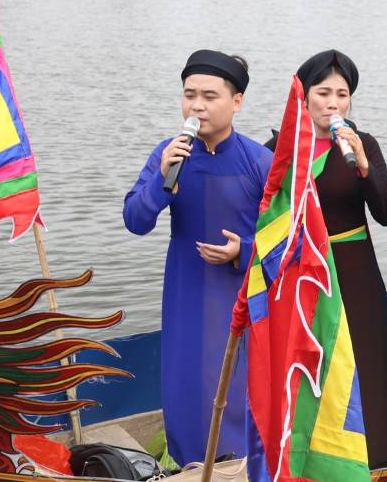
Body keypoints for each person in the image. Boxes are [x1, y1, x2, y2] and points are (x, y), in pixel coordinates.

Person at [122, 50, 271, 465]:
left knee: (238, 392)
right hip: (186, 292)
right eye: (189, 95)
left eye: (210, 96)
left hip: (240, 296)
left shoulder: (259, 161)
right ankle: (190, 466)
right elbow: (135, 220)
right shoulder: (167, 154)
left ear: (236, 101)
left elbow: (288, 242)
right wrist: (160, 181)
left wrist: (243, 249)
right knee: (185, 387)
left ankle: (242, 466)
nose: (197, 106)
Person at [286, 49, 387, 468]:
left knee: (363, 356)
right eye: (322, 92)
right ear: (304, 97)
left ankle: (375, 453)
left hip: (355, 266)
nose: (332, 102)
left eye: (341, 94)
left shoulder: (363, 144)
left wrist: (363, 165)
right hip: (306, 268)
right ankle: (310, 455)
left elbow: (386, 213)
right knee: (317, 357)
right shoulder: (285, 146)